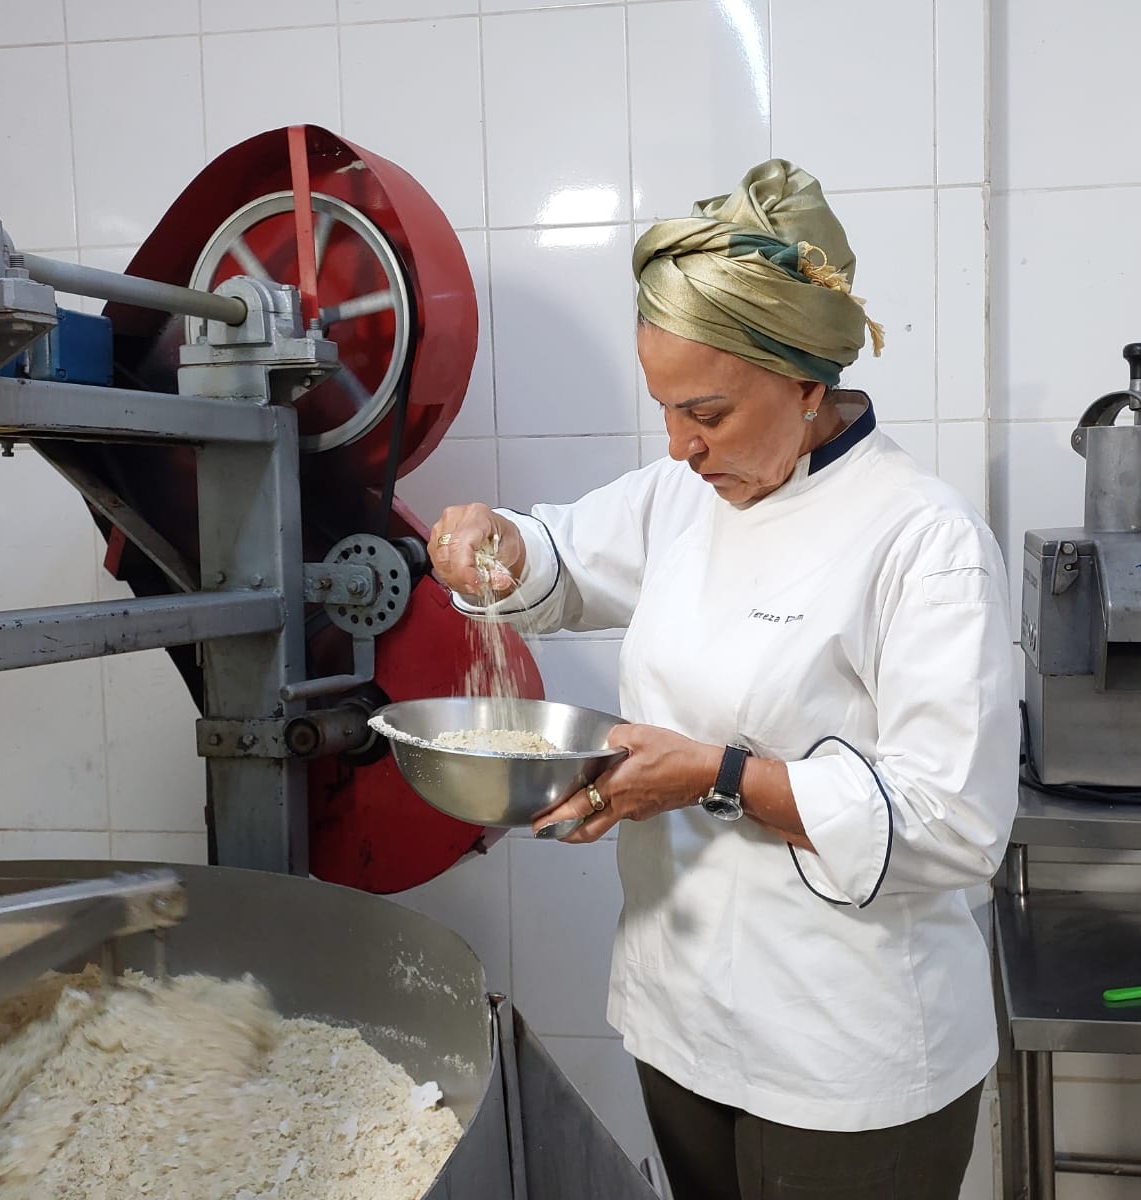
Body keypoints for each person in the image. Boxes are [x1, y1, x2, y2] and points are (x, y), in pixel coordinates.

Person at [429, 159, 1018, 1200]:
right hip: (682, 1017)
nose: (679, 445)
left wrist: (718, 774)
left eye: (705, 411)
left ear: (806, 382)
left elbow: (955, 824)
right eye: (664, 409)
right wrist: (497, 545)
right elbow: (558, 556)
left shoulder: (923, 539)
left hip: (850, 1048)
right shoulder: (681, 495)